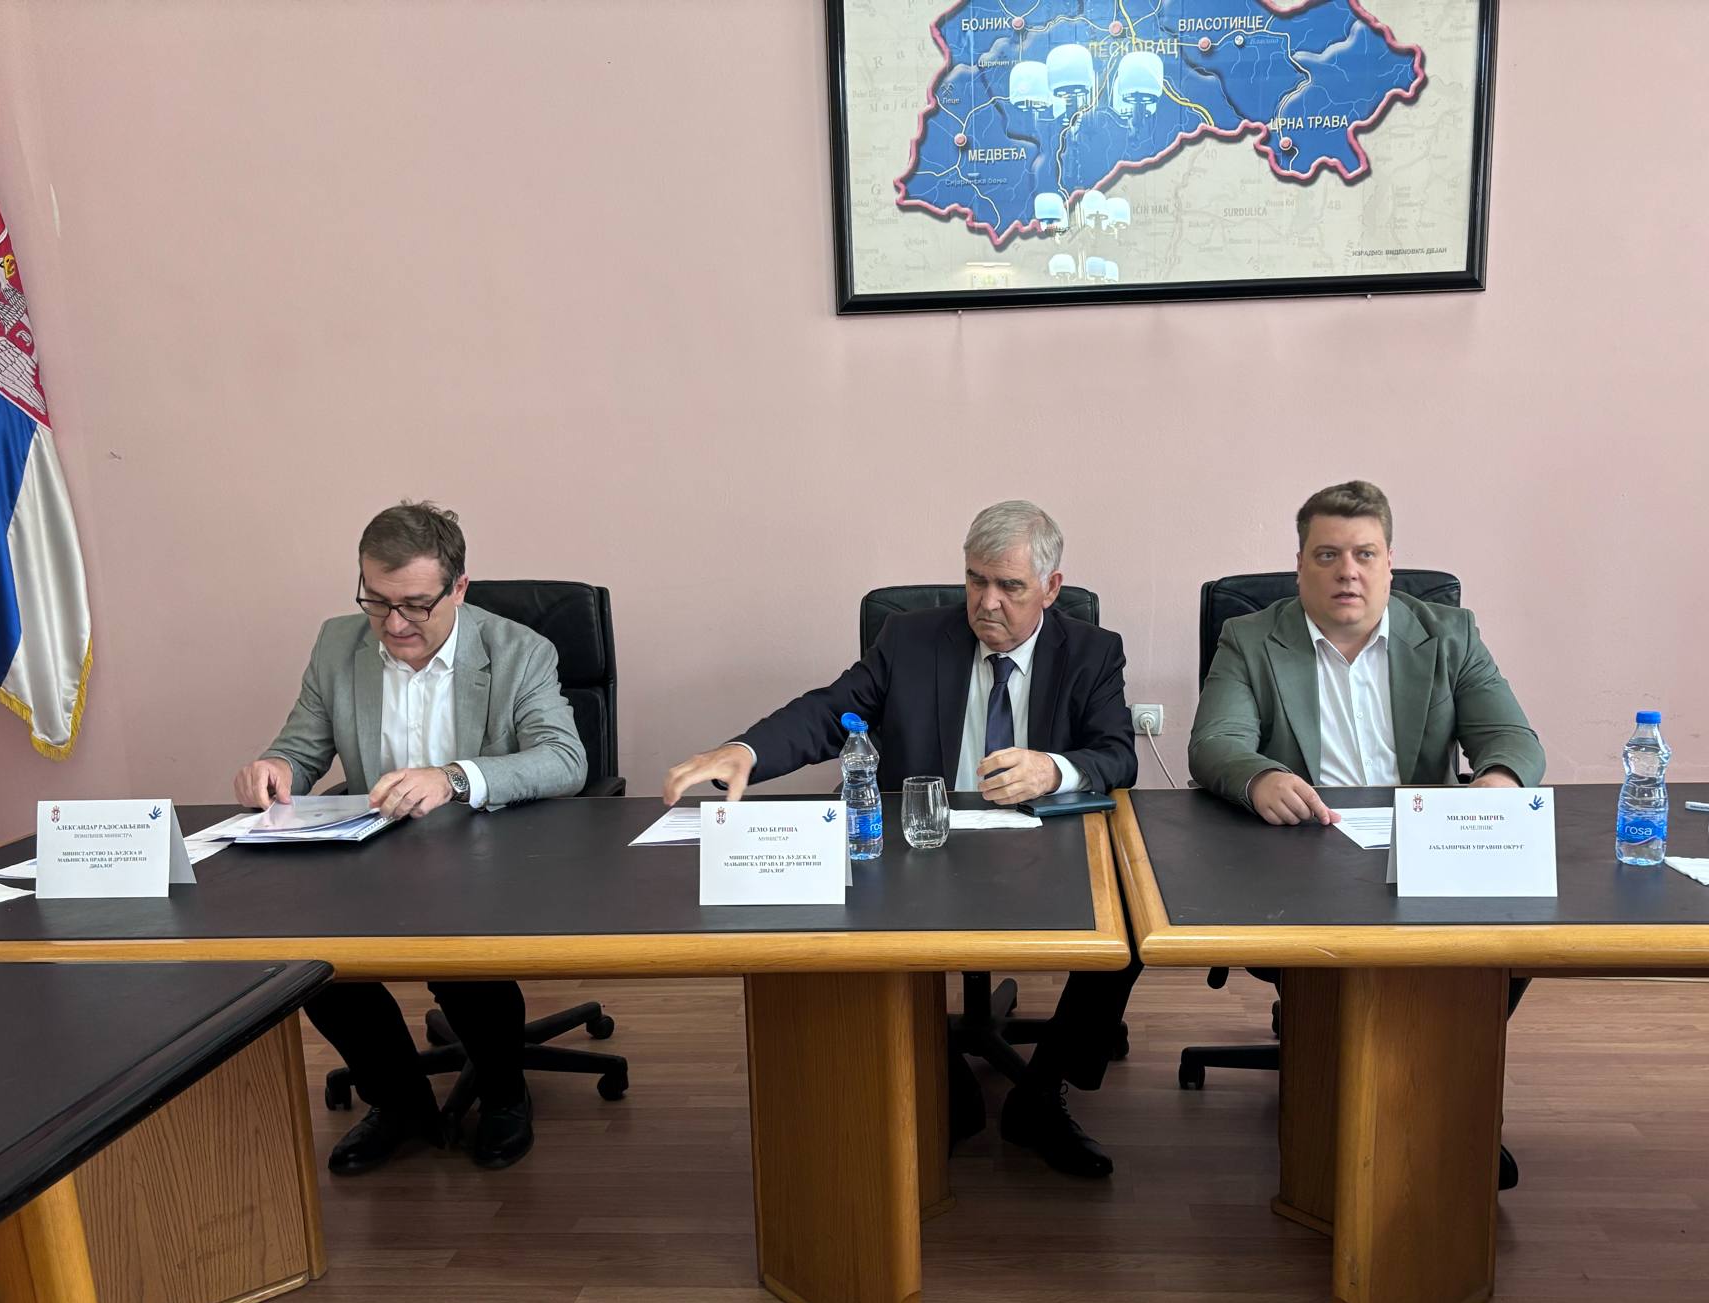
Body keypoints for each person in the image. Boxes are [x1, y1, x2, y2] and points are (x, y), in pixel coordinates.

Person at [661, 500, 1137, 1178]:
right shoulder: (911, 639)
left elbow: (1118, 755)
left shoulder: (1092, 651)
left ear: (1052, 588)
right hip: (922, 845)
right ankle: (938, 1074)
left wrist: (1054, 769)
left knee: (1129, 928)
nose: (988, 603)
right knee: (847, 911)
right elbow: (831, 711)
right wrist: (745, 751)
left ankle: (1042, 1090)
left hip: (1040, 846)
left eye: (1010, 586)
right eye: (976, 580)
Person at [1188, 479, 1545, 1188]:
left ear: (1389, 563)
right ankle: (1363, 1104)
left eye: (1364, 554)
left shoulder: (1449, 634)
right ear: (1300, 565)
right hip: (1303, 853)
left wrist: (1497, 785)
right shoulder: (1251, 638)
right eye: (1327, 555)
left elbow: (1511, 736)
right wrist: (1260, 777)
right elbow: (1215, 743)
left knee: (1516, 933)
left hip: (1421, 847)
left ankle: (1446, 1104)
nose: (1346, 571)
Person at [233, 501, 586, 1175]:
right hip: (376, 854)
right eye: (377, 601)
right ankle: (398, 1102)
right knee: (316, 966)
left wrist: (453, 779)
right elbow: (302, 750)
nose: (394, 624)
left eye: (417, 605)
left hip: (489, 852)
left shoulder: (518, 651)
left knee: (460, 958)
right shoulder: (338, 645)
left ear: (459, 588)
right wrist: (275, 768)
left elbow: (566, 760)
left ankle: (505, 1095)